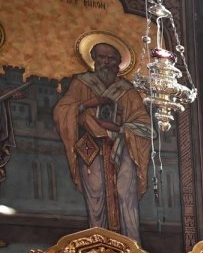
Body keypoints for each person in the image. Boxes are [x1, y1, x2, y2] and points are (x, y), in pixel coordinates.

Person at [52, 41, 152, 240]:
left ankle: (132, 249)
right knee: (95, 193)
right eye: (102, 57)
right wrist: (86, 105)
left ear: (118, 63)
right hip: (91, 147)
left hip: (123, 148)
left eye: (111, 58)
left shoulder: (128, 91)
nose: (106, 62)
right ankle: (98, 245)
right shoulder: (82, 83)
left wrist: (119, 128)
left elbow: (144, 125)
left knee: (126, 194)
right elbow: (61, 111)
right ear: (94, 60)